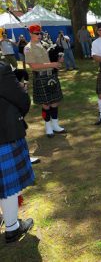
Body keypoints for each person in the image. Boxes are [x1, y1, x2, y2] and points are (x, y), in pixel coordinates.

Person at [0, 60, 35, 243]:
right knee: (8, 184)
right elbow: (21, 99)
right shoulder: (1, 69)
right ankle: (12, 227)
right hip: (4, 134)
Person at [24, 24, 66, 138]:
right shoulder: (28, 48)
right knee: (46, 104)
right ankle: (48, 126)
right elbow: (33, 66)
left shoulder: (45, 44)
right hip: (41, 77)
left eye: (40, 33)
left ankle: (55, 125)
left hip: (52, 75)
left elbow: (52, 57)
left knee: (55, 101)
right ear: (30, 34)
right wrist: (52, 64)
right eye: (36, 33)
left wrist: (58, 59)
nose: (39, 35)